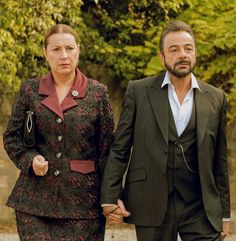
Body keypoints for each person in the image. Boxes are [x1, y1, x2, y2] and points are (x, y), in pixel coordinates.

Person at [101, 20, 230, 241]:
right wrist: (109, 196)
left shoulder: (216, 97)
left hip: (199, 206)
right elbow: (120, 148)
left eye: (188, 49)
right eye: (174, 49)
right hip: (151, 201)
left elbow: (220, 160)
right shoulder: (138, 91)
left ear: (195, 53)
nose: (183, 54)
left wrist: (224, 214)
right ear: (162, 57)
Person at [3, 24, 114, 241]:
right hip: (34, 203)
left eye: (69, 48)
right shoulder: (30, 90)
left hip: (84, 205)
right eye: (56, 49)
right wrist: (30, 158)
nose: (64, 55)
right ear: (45, 53)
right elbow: (12, 137)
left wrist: (111, 195)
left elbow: (107, 149)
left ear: (78, 51)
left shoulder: (98, 93)